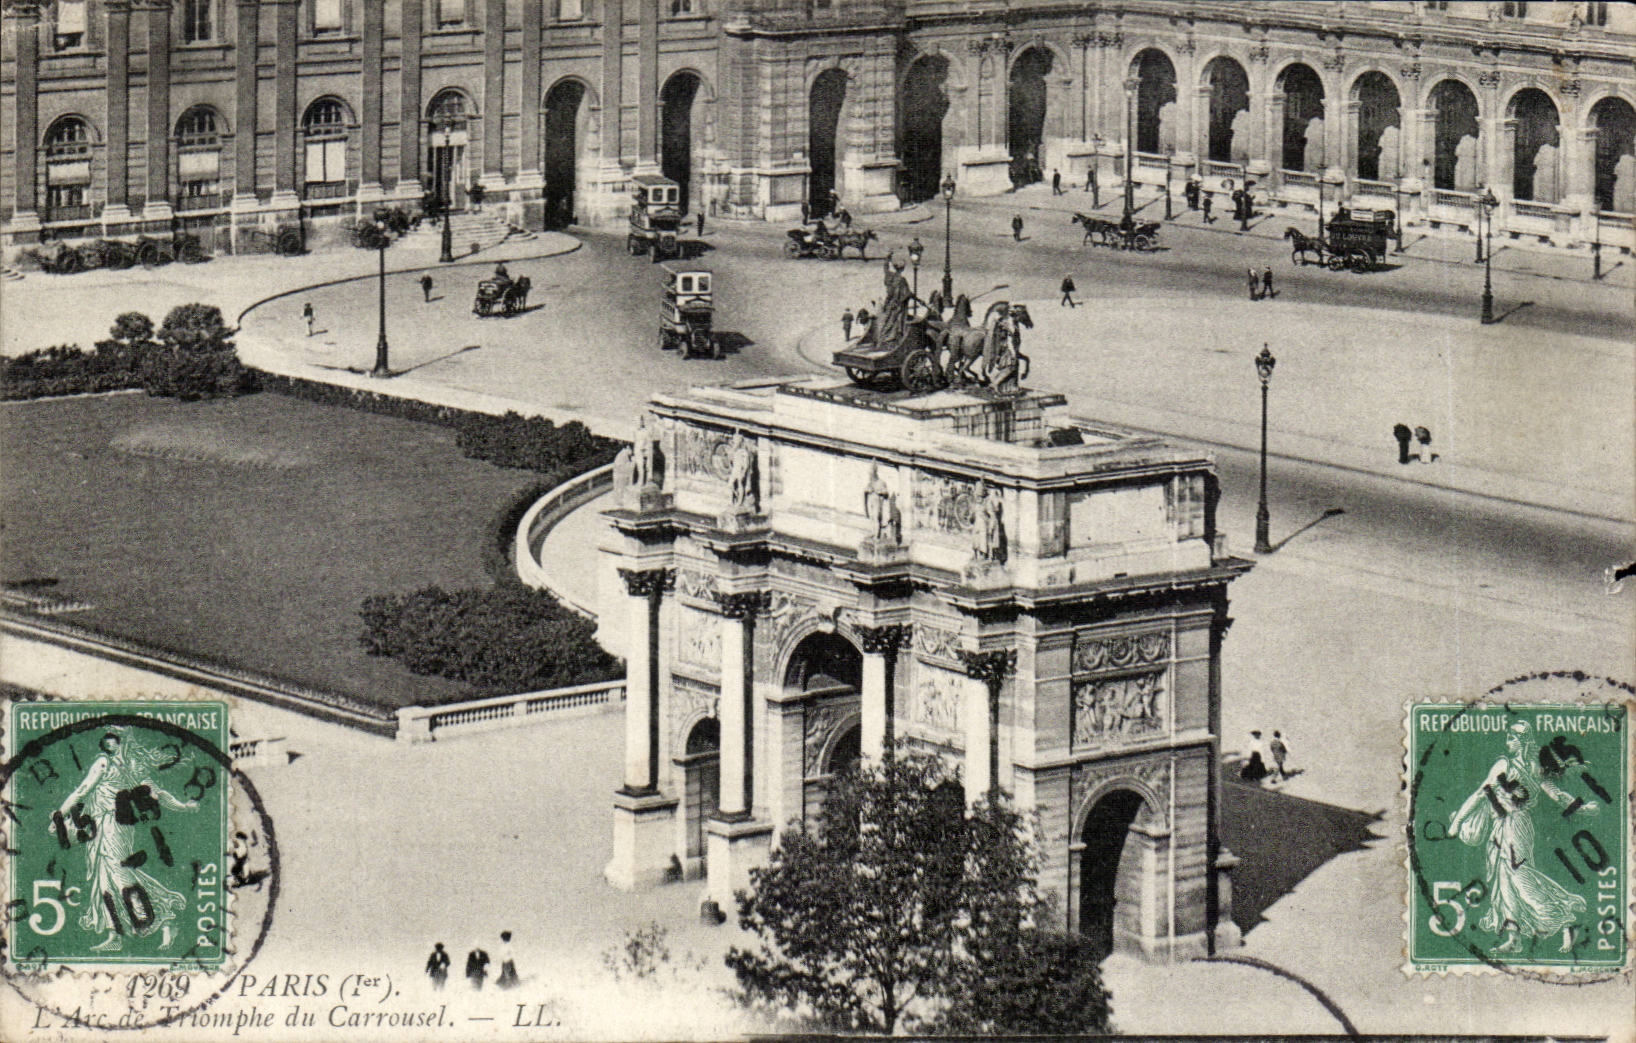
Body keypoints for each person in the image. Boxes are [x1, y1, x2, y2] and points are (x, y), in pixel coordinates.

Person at [1448, 721, 1590, 954]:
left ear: (1522, 742)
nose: (1508, 742)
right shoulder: (1530, 766)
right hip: (1503, 825)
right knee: (1503, 880)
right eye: (1508, 738)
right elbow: (1555, 793)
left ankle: (1564, 918)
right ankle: (1513, 936)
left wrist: (1456, 823)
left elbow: (1481, 794)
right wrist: (1578, 807)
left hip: (1515, 825)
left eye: (1512, 739)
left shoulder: (1510, 765)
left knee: (1520, 877)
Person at [56, 730, 198, 952]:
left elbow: (84, 789)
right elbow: (158, 794)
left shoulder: (120, 765)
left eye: (115, 736)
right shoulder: (117, 764)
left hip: (114, 826)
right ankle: (115, 934)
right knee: (103, 878)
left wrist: (59, 815)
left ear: (122, 741)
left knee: (120, 874)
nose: (109, 741)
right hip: (101, 827)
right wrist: (183, 806)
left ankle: (160, 917)